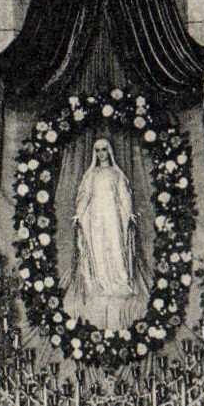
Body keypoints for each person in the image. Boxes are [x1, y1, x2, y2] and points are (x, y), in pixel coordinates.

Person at [68, 137, 147, 330]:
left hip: (113, 218)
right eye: (98, 150)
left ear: (109, 152)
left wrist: (128, 214)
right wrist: (79, 213)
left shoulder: (116, 174)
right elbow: (85, 194)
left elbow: (124, 196)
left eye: (104, 149)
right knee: (98, 251)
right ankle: (102, 285)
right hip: (96, 218)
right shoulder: (91, 175)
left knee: (116, 249)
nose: (101, 153)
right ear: (95, 153)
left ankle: (119, 283)